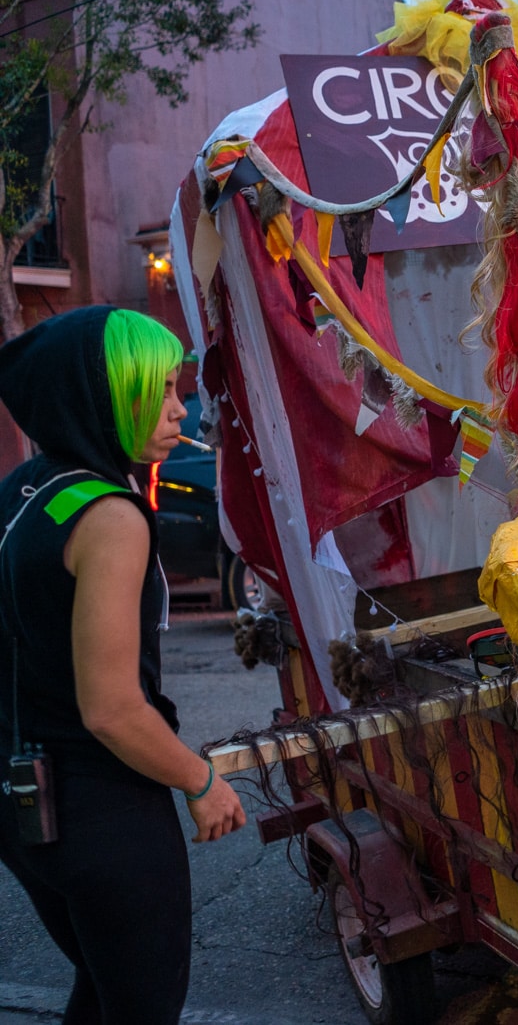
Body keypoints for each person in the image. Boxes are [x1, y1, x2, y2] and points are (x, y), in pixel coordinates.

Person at [0, 306, 246, 1024]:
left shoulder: (25, 489)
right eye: (158, 391)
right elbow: (110, 706)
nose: (178, 411)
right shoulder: (110, 517)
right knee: (142, 1004)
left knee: (100, 991)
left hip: (25, 804)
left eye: (177, 389)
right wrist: (200, 780)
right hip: (103, 814)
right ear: (104, 400)